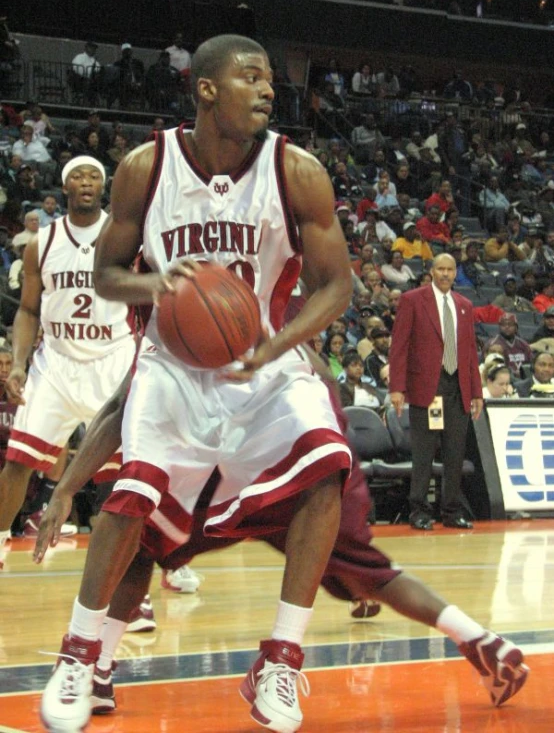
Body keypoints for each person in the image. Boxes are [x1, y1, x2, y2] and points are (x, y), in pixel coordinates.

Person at [40, 35, 355, 733]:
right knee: (134, 492)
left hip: (265, 357)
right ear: (206, 88)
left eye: (270, 79)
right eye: (250, 77)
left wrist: (279, 341)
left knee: (328, 467)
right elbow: (107, 275)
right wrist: (160, 285)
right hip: (171, 362)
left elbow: (338, 284)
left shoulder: (296, 170)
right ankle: (80, 653)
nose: (268, 89)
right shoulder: (144, 168)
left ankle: (280, 655)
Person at [34, 349, 528, 720]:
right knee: (370, 573)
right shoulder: (278, 313)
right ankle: (482, 640)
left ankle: (98, 668)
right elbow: (325, 386)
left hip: (265, 460)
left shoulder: (204, 313)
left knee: (144, 542)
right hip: (298, 459)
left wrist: (66, 488)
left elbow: (122, 405)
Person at [0, 156, 137, 571]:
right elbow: (27, 311)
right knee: (19, 461)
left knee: (128, 470)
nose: (86, 182)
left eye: (94, 176)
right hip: (56, 361)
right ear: (64, 187)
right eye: (77, 176)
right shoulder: (43, 241)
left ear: (104, 186)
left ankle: (145, 563)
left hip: (113, 358)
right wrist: (20, 363)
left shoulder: (124, 235)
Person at [389, 254, 483, 531]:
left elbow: (470, 354)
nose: (445, 274)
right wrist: (397, 387)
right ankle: (419, 511)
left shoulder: (464, 305)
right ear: (431, 272)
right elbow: (399, 346)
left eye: (450, 270)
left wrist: (476, 391)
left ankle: (452, 511)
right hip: (427, 388)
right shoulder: (413, 300)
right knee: (424, 454)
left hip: (458, 388)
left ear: (456, 273)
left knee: (455, 453)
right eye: (440, 269)